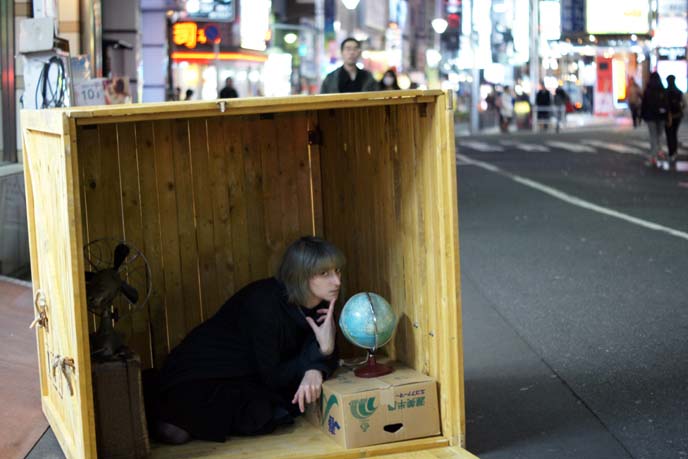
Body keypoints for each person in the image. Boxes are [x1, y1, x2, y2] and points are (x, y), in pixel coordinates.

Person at [150, 236, 343, 444]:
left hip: (250, 375)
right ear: (300, 276)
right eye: (324, 273)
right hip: (203, 369)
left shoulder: (321, 302)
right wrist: (319, 355)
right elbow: (273, 376)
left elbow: (324, 350)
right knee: (174, 433)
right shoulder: (264, 305)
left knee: (261, 413)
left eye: (337, 271)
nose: (337, 281)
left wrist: (315, 366)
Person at [641, 72, 669, 167]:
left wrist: (642, 116)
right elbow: (666, 104)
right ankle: (659, 151)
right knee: (660, 135)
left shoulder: (648, 90)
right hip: (661, 116)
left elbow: (644, 105)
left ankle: (653, 156)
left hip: (651, 117)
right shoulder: (662, 89)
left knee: (653, 136)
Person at [664, 74, 684, 166]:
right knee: (674, 133)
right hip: (677, 116)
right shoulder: (679, 92)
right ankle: (674, 150)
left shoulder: (665, 92)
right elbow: (683, 104)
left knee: (669, 134)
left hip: (668, 116)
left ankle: (671, 151)